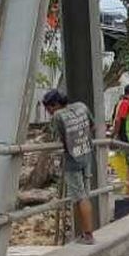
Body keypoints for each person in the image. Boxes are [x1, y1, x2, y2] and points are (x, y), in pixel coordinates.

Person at [43, 89, 96, 245]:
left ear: (55, 105)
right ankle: (84, 233)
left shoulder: (58, 116)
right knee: (85, 194)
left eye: (49, 108)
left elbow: (56, 138)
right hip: (87, 154)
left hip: (72, 159)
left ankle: (88, 235)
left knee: (80, 197)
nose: (49, 112)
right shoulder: (81, 106)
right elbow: (92, 126)